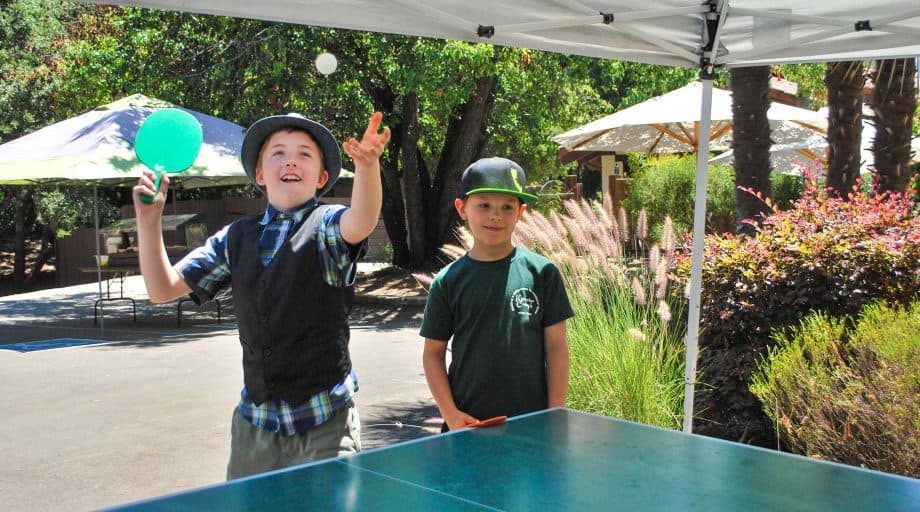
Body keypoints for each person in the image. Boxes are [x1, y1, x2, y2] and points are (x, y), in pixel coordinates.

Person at [132, 111, 390, 479]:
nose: (290, 160)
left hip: (325, 423)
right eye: (278, 152)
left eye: (304, 154)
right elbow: (161, 289)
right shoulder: (234, 238)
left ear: (321, 177)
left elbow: (362, 220)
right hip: (256, 427)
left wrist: (367, 167)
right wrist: (149, 220)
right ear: (259, 174)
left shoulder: (329, 224)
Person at [421, 157, 573, 432]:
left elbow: (557, 348)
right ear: (462, 208)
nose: (496, 215)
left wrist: (555, 414)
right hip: (468, 426)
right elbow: (433, 354)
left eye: (507, 206)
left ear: (521, 211)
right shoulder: (447, 282)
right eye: (484, 205)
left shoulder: (542, 273)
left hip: (532, 426)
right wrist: (451, 415)